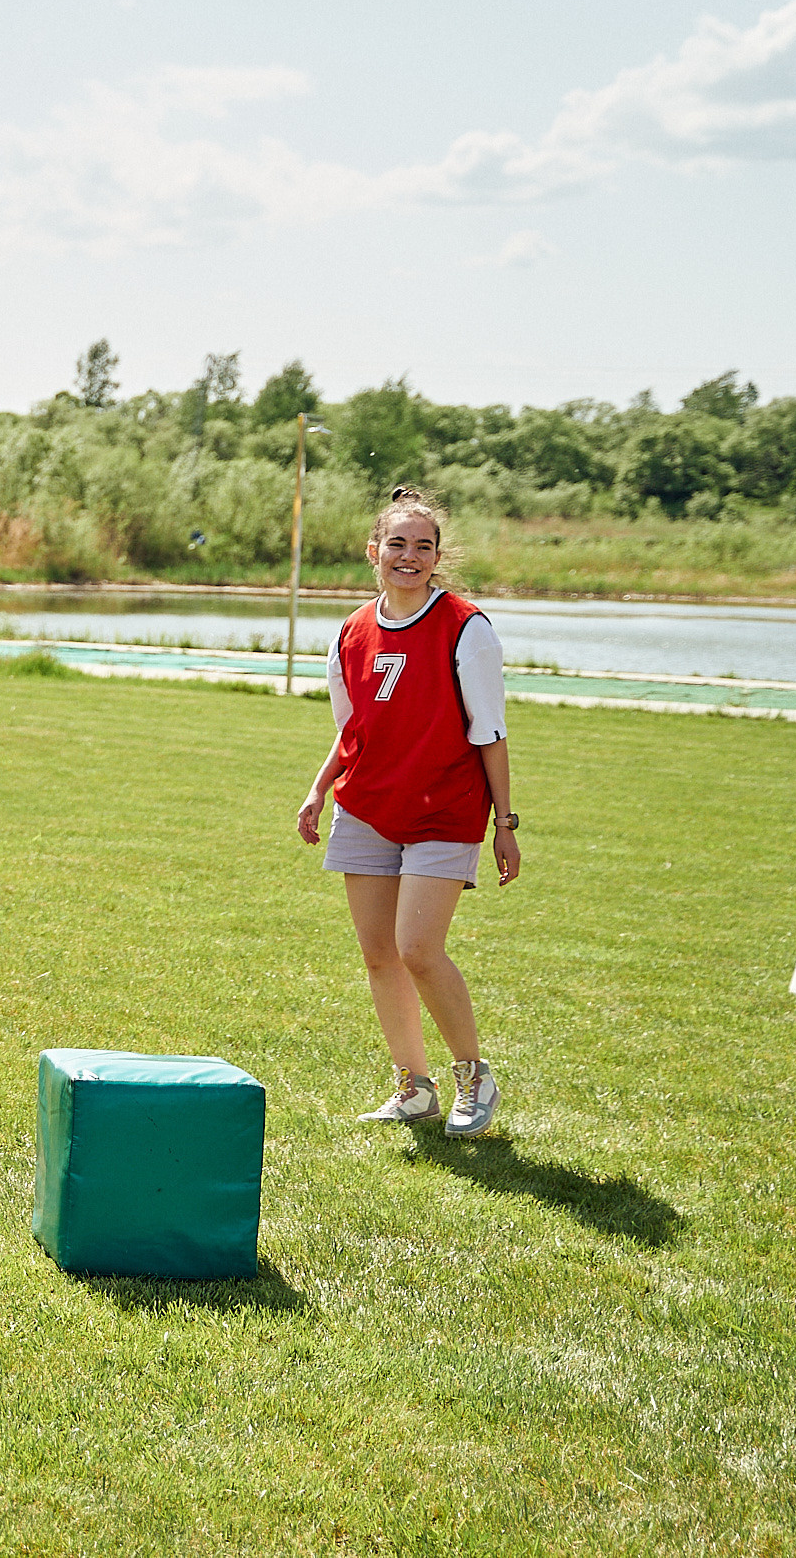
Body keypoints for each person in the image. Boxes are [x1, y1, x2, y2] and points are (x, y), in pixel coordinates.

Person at [295, 486, 520, 1138]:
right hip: (365, 806)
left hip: (443, 810)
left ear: (437, 557)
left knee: (418, 947)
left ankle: (474, 1077)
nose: (409, 555)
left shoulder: (465, 626)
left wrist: (504, 824)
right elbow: (352, 728)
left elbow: (491, 732)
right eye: (397, 543)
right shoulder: (350, 631)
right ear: (374, 551)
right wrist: (318, 790)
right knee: (379, 956)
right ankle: (413, 1087)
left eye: (423, 546)